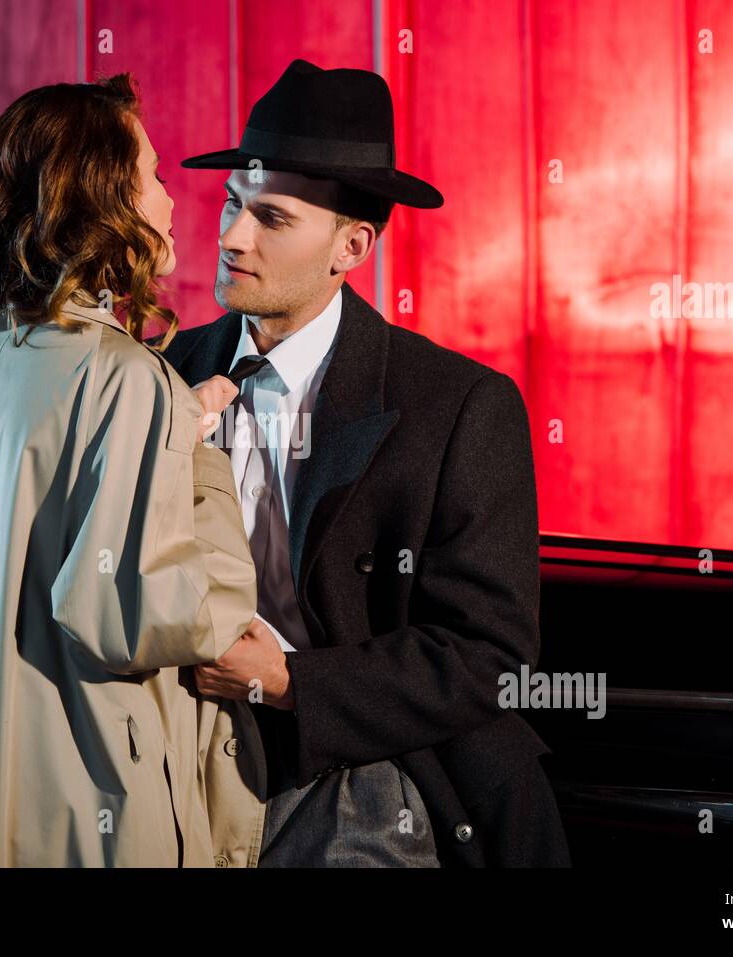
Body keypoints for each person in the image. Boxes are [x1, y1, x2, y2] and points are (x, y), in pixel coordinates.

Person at [161, 58, 571, 866]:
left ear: (352, 244)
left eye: (271, 219)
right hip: (179, 757)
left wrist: (287, 682)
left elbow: (488, 653)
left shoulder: (457, 406)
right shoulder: (161, 373)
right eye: (234, 205)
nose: (233, 238)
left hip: (377, 778)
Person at [0, 74, 266, 867]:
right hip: (75, 817)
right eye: (150, 175)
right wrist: (202, 460)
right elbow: (147, 613)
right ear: (103, 197)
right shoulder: (124, 377)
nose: (173, 199)